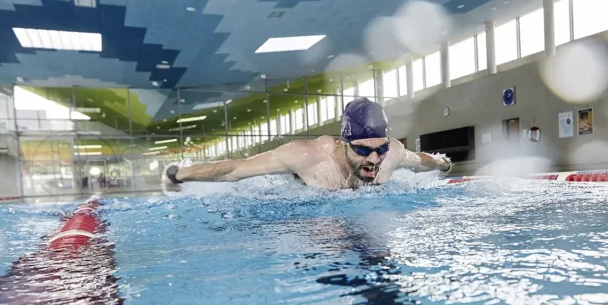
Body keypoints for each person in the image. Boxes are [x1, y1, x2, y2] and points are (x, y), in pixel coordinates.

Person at [162, 98, 451, 191]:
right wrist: (180, 174)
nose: (374, 159)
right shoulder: (305, 155)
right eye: (363, 150)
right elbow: (234, 170)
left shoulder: (394, 153)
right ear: (343, 142)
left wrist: (442, 163)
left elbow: (420, 160)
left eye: (381, 149)